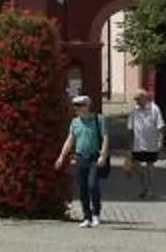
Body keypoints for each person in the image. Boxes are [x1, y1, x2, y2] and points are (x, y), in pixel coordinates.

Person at [55, 92, 108, 229]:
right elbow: (70, 140)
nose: (77, 108)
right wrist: (62, 156)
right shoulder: (75, 122)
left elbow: (105, 138)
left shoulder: (98, 119)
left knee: (92, 185)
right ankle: (87, 217)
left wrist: (103, 155)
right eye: (75, 106)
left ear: (87, 106)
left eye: (80, 106)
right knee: (83, 188)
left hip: (94, 157)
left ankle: (96, 213)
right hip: (80, 158)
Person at [125, 91, 164, 198]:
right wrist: (129, 145)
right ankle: (144, 186)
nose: (136, 102)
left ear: (144, 98)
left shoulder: (154, 109)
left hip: (151, 143)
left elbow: (160, 126)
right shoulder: (134, 111)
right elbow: (130, 128)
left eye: (138, 99)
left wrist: (160, 141)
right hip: (137, 144)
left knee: (149, 167)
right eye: (135, 100)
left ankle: (149, 189)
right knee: (136, 166)